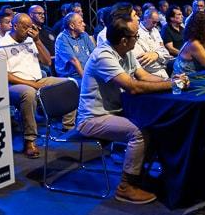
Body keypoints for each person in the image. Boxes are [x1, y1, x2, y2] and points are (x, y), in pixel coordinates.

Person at [77, 15, 188, 204]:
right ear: (123, 40)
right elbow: (133, 87)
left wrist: (171, 80)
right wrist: (171, 85)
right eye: (135, 36)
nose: (138, 38)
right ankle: (125, 187)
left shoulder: (125, 50)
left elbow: (143, 76)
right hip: (92, 118)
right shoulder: (103, 56)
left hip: (115, 112)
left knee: (153, 124)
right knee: (139, 133)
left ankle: (139, 177)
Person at [0, 13, 75, 158]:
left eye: (30, 27)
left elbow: (47, 61)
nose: (29, 30)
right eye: (25, 27)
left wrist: (37, 41)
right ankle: (29, 140)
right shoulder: (1, 45)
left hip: (37, 80)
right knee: (29, 93)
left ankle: (68, 127)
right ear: (15, 25)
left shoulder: (31, 40)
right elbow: (4, 74)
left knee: (69, 83)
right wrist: (30, 84)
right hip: (14, 85)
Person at [54, 12, 95, 84]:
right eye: (80, 22)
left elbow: (94, 54)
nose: (84, 24)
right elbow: (74, 61)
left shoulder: (84, 35)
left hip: (88, 72)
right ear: (72, 26)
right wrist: (86, 81)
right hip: (73, 76)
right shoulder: (62, 39)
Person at [132, 9, 172, 79]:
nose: (155, 25)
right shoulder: (136, 32)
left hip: (163, 72)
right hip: (148, 74)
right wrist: (162, 61)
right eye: (153, 22)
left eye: (157, 23)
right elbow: (144, 62)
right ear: (145, 18)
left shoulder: (155, 30)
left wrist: (157, 54)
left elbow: (165, 52)